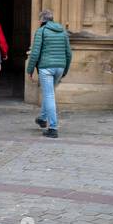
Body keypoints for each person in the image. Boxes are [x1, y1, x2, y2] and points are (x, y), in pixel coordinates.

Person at [26, 8, 72, 139]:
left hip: (46, 68)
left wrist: (29, 70)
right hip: (60, 67)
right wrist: (65, 70)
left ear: (41, 20)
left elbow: (35, 53)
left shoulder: (41, 31)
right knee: (49, 93)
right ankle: (42, 118)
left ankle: (52, 128)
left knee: (49, 95)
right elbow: (69, 53)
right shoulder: (63, 31)